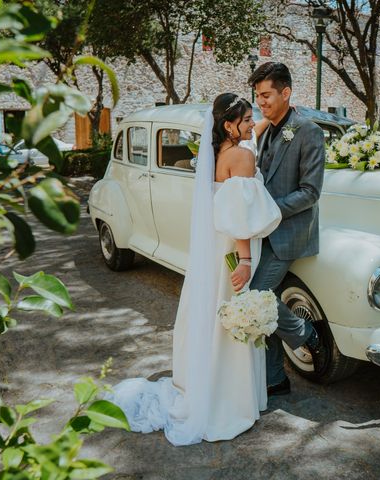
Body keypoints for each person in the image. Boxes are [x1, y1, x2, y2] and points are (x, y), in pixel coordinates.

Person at [106, 93, 281, 446]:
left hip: (214, 248)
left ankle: (208, 385)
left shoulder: (218, 153)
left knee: (214, 314)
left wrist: (270, 121)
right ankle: (228, 400)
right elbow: (239, 219)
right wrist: (245, 262)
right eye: (247, 119)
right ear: (230, 126)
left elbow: (247, 144)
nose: (252, 123)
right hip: (233, 248)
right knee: (233, 314)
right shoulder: (243, 156)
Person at [247, 62, 327, 396]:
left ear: (286, 92)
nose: (260, 102)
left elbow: (311, 192)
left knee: (256, 297)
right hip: (260, 233)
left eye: (266, 95)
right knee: (261, 300)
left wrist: (268, 210)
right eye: (257, 96)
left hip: (289, 233)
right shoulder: (265, 128)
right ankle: (275, 379)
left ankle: (304, 333)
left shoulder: (307, 131)